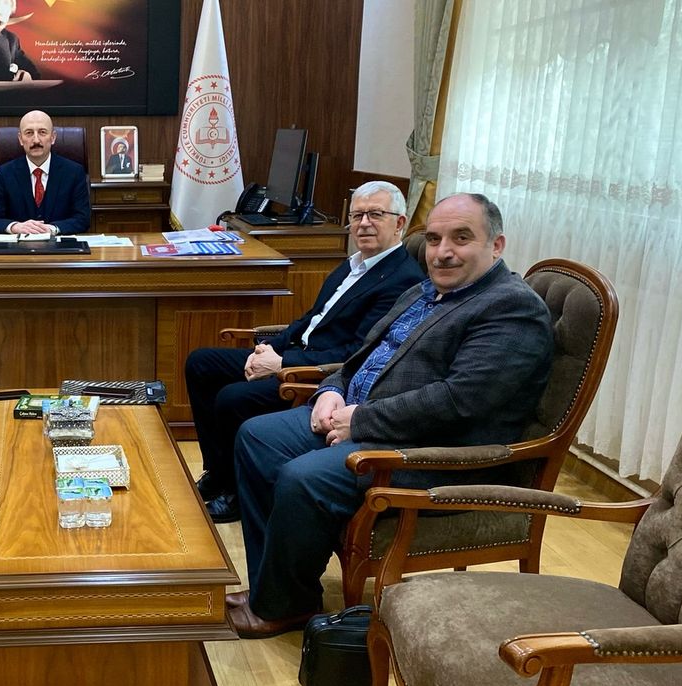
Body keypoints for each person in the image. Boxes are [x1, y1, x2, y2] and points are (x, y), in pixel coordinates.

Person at [227, 193, 554, 639]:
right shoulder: (424, 291)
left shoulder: (511, 308)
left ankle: (280, 606)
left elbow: (459, 401)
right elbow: (360, 357)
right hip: (362, 418)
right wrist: (330, 391)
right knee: (257, 437)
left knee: (303, 478)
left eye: (461, 238)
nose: (442, 252)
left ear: (496, 245)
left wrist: (359, 421)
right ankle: (280, 589)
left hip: (433, 450)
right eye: (434, 239)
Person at [186, 181, 424, 523]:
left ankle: (236, 493)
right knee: (201, 363)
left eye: (375, 214)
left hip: (317, 373)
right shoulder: (354, 264)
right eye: (357, 216)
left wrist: (282, 363)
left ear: (399, 223)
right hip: (293, 353)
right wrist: (269, 348)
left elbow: (357, 352)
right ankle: (220, 473)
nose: (364, 224)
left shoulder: (401, 279)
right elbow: (311, 318)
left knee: (231, 398)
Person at [0, 109, 91, 234]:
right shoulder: (4, 173)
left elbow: (83, 219)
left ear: (53, 137)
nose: (36, 140)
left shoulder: (74, 172)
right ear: (20, 139)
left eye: (42, 132)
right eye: (29, 133)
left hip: (59, 243)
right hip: (18, 244)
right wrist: (15, 227)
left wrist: (52, 229)